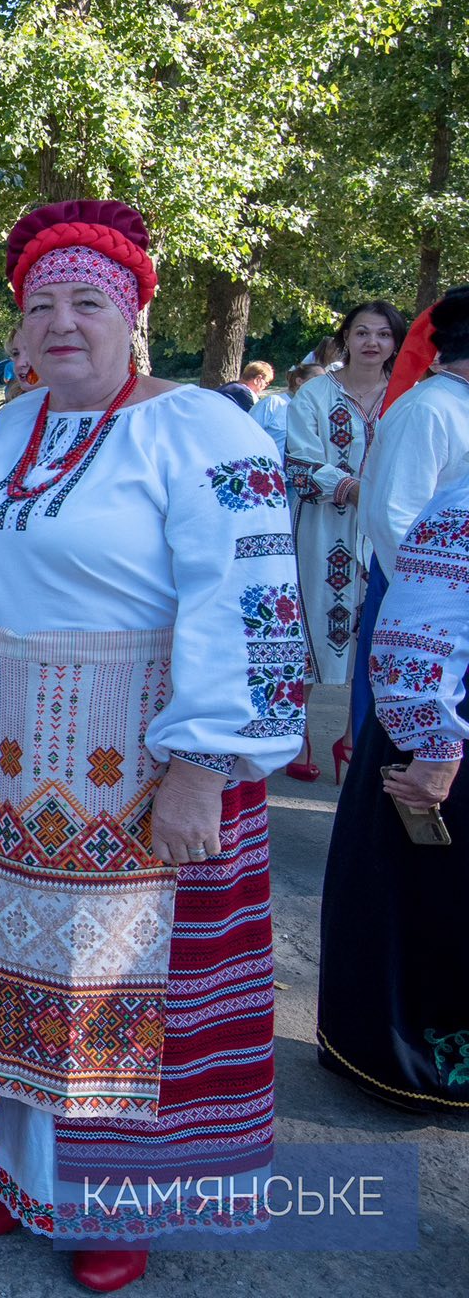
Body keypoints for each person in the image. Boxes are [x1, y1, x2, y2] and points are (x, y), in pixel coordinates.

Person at [0, 200, 302, 1291]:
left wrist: (203, 767)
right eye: (39, 304)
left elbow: (251, 603)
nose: (60, 322)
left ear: (134, 315)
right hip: (9, 757)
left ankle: (117, 1197)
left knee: (119, 993)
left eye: (85, 302)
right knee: (14, 966)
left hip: (142, 762)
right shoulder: (7, 427)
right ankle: (21, 1171)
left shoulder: (205, 432)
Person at [316, 475, 469, 1114]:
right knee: (431, 903)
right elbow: (424, 620)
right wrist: (433, 745)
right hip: (445, 726)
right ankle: (411, 1064)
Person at [350, 286, 469, 769]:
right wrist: (431, 600)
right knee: (406, 745)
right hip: (419, 603)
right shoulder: (430, 408)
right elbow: (392, 514)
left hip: (448, 603)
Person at [287, 303, 402, 781]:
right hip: (323, 528)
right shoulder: (315, 394)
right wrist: (356, 490)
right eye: (362, 332)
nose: (372, 342)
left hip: (388, 532)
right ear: (345, 338)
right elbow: (300, 463)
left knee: (374, 631)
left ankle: (354, 737)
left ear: (396, 342)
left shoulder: (407, 396)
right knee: (312, 622)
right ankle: (298, 734)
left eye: (383, 334)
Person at [249, 359, 300, 452]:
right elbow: (248, 432)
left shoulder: (317, 410)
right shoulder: (272, 403)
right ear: (299, 381)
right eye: (316, 378)